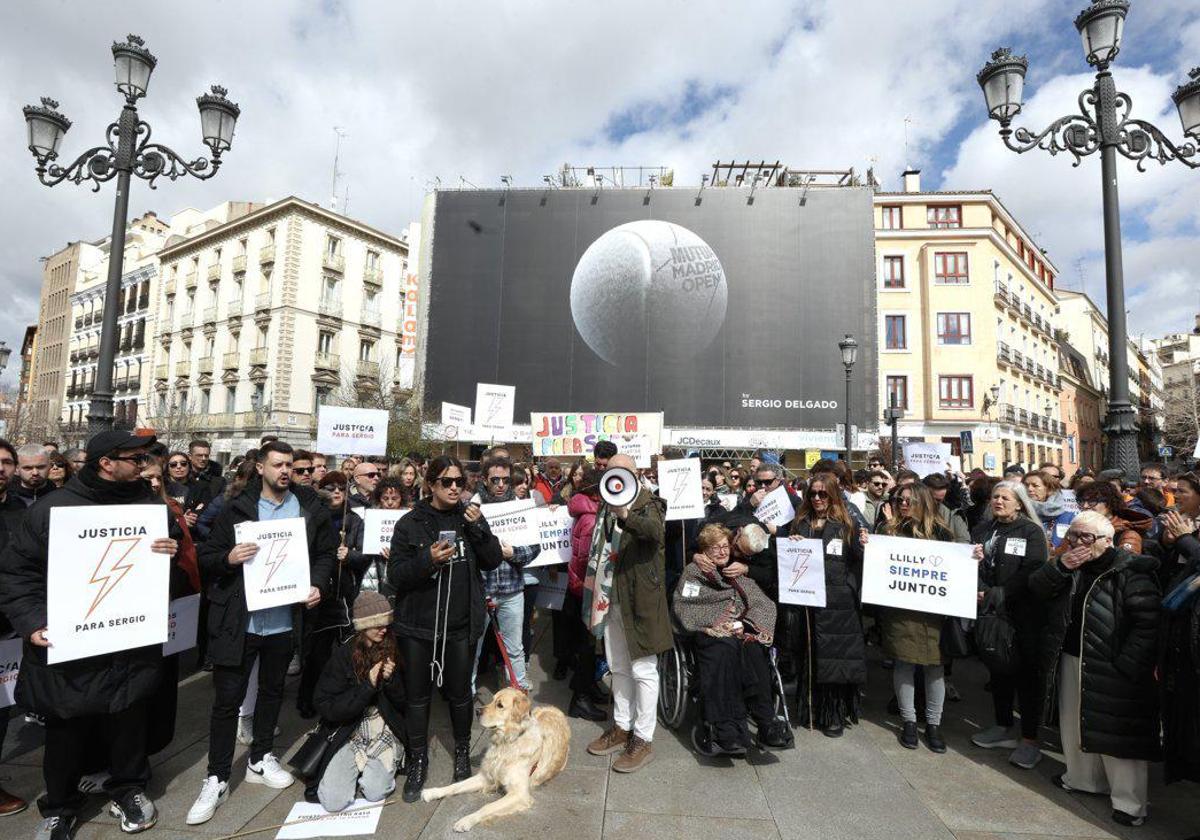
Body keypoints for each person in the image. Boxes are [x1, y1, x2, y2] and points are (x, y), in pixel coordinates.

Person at [0, 431, 178, 838]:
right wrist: (32, 623)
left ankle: (129, 786)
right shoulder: (53, 508)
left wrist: (168, 549)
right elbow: (16, 573)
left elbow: (163, 562)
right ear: (107, 463)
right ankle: (60, 805)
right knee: (67, 728)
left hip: (130, 639)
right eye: (136, 458)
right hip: (72, 643)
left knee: (130, 716)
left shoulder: (149, 505)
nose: (145, 464)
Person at [187, 441, 336, 826]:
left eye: (290, 465)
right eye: (277, 465)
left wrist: (317, 583)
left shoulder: (307, 508)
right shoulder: (237, 507)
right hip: (240, 619)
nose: (285, 471)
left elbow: (323, 554)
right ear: (260, 468)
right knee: (227, 701)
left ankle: (261, 757)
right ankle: (217, 776)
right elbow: (206, 556)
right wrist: (227, 558)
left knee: (272, 692)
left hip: (284, 620)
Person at [1029, 511, 1161, 828]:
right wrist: (1060, 566)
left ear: (1106, 540)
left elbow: (1149, 625)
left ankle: (1130, 804)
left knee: (1119, 736)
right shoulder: (1069, 565)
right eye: (1071, 535)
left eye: (1084, 537)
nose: (1075, 542)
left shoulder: (1132, 570)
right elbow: (1036, 589)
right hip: (1072, 657)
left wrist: (1127, 665)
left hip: (1113, 667)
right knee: (1073, 723)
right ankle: (1082, 779)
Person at [388, 456, 503, 802]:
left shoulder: (470, 519)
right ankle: (418, 757)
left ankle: (462, 754)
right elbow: (396, 574)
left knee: (460, 694)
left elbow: (493, 559)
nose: (454, 487)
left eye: (459, 482)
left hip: (460, 627)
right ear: (430, 485)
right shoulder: (411, 523)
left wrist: (480, 528)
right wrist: (427, 560)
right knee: (418, 696)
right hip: (419, 627)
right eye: (446, 481)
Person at [584, 454, 671, 774]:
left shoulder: (651, 502)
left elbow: (654, 532)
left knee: (644, 670)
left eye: (621, 472)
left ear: (637, 474)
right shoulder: (605, 503)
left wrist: (625, 514)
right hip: (611, 598)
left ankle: (643, 738)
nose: (614, 477)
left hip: (640, 600)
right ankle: (622, 726)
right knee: (618, 667)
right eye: (609, 472)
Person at [673, 524, 789, 755]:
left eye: (725, 546)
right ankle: (724, 729)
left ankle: (766, 721)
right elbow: (684, 605)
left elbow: (763, 604)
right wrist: (715, 624)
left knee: (754, 649)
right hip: (708, 633)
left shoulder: (734, 572)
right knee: (723, 650)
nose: (722, 552)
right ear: (704, 550)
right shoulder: (693, 572)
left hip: (737, 630)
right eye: (715, 548)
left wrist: (743, 625)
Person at [868, 482, 955, 753]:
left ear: (923, 503)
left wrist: (971, 558)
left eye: (908, 500)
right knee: (904, 664)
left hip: (932, 613)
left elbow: (954, 567)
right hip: (900, 611)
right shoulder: (888, 530)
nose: (903, 504)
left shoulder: (941, 533)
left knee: (935, 667)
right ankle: (908, 721)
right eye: (899, 500)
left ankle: (933, 724)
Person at [969, 481, 1049, 769]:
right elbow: (969, 562)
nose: (999, 501)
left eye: (1005, 497)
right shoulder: (983, 530)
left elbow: (1033, 569)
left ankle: (1029, 740)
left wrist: (998, 593)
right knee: (998, 671)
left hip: (1022, 617)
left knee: (1026, 678)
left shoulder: (1031, 532)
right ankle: (1002, 726)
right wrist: (978, 573)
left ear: (1019, 503)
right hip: (991, 615)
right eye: (995, 497)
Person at [786, 475, 865, 737]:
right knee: (810, 658)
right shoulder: (799, 523)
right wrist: (791, 544)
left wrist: (850, 585)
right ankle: (810, 709)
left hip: (838, 605)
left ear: (833, 495)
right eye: (813, 494)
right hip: (807, 604)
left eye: (823, 494)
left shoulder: (847, 524)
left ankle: (833, 715)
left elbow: (861, 561)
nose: (817, 499)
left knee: (834, 661)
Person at [310, 592, 405, 812]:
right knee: (333, 802)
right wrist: (368, 685)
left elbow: (405, 704)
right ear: (362, 626)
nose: (383, 629)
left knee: (375, 792)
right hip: (349, 733)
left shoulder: (393, 647)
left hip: (384, 730)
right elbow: (325, 704)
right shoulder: (344, 655)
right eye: (376, 625)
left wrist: (390, 681)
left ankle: (379, 766)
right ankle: (355, 768)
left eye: (386, 623)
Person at [471, 457, 539, 696]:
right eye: (495, 479)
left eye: (505, 480)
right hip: (482, 590)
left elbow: (534, 548)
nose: (500, 484)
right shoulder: (473, 508)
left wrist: (514, 553)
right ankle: (466, 696)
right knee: (474, 646)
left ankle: (518, 692)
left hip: (512, 590)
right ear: (484, 480)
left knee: (515, 648)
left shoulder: (521, 506)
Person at [1160, 472, 1200, 788]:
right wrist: (1172, 544)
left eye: (1182, 491)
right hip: (1181, 634)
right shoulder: (1185, 528)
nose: (1175, 497)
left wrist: (1186, 540)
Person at [563, 466, 606, 721]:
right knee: (587, 646)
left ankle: (587, 688)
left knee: (588, 645)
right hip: (586, 591)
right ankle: (580, 699)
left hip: (582, 588)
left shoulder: (589, 511)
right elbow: (585, 560)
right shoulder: (591, 517)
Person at [0, 438, 28, 817]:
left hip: (8, 627)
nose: (0, 468)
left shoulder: (20, 511)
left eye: (7, 462)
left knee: (2, 712)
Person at [1075, 481, 1152, 555]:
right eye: (1081, 501)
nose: (1085, 506)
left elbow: (1126, 563)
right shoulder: (1076, 528)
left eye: (1092, 502)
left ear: (1109, 503)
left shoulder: (1128, 534)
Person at [1023, 470, 1074, 547]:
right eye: (1026, 485)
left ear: (1049, 489)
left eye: (1035, 485)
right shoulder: (1017, 515)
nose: (1029, 489)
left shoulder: (1069, 517)